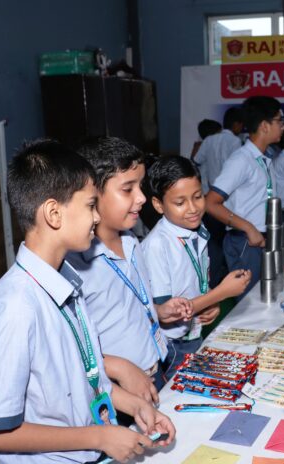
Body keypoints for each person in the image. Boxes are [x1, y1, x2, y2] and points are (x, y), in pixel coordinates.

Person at [0, 139, 174, 463]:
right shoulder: (18, 304)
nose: (97, 218)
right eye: (90, 205)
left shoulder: (65, 284)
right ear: (54, 213)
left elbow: (84, 374)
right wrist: (99, 436)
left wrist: (131, 404)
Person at [67, 137, 193, 396]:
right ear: (92, 193)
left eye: (140, 186)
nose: (142, 198)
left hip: (154, 372)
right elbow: (69, 350)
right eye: (128, 189)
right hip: (115, 390)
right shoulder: (75, 264)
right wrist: (119, 368)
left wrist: (158, 310)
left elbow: (127, 305)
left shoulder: (132, 241)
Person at [142, 155, 252, 377]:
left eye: (198, 197)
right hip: (173, 345)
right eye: (180, 203)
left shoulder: (196, 230)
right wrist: (221, 294)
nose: (193, 208)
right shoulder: (157, 245)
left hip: (194, 331)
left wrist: (209, 302)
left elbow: (193, 284)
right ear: (158, 204)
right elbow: (167, 313)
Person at [205, 96, 284, 296]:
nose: (283, 126)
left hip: (261, 239)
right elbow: (211, 203)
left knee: (264, 299)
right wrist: (248, 228)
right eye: (279, 121)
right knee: (249, 306)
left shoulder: (265, 158)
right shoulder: (241, 160)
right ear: (265, 126)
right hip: (245, 242)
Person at [194, 106, 246, 287]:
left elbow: (197, 160)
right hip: (229, 199)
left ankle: (214, 277)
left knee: (212, 240)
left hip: (209, 196)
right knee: (229, 239)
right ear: (238, 125)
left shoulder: (209, 140)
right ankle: (226, 276)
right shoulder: (235, 143)